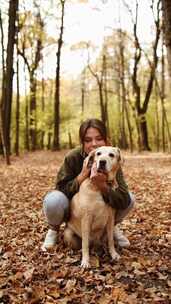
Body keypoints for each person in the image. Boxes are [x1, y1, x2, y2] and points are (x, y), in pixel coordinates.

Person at [42, 118, 135, 251]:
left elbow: (123, 198)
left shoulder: (111, 157)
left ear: (106, 139)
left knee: (130, 199)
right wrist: (82, 175)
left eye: (99, 138)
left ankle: (111, 226)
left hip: (100, 209)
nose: (94, 144)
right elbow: (60, 189)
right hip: (75, 210)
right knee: (53, 200)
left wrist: (102, 185)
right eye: (88, 140)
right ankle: (54, 230)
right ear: (82, 142)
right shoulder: (72, 157)